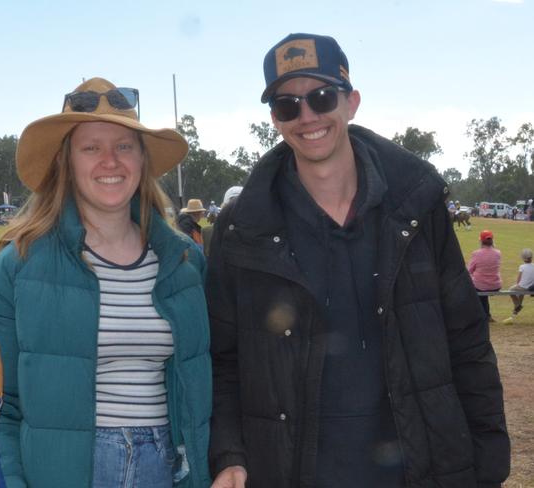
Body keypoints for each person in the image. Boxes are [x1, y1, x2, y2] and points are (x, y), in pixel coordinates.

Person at [207, 33, 509, 488]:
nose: (307, 116)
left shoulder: (417, 207)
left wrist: (489, 456)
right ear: (275, 119)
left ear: (352, 102)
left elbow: (466, 340)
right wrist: (229, 454)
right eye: (288, 105)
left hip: (419, 466)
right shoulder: (240, 227)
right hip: (291, 471)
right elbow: (222, 359)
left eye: (322, 97)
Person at [0, 77, 212, 488]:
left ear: (142, 160)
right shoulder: (18, 266)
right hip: (63, 472)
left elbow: (209, 389)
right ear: (66, 162)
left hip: (167, 472)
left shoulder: (185, 263)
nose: (110, 161)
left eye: (124, 146)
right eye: (91, 147)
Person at [467, 230, 502, 322]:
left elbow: (469, 270)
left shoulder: (476, 254)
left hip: (480, 286)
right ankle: (487, 315)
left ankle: (480, 315)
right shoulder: (498, 253)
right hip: (495, 285)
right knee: (482, 290)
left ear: (481, 241)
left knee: (476, 287)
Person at [504, 248, 534, 320]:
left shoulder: (522, 266)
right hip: (531, 287)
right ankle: (517, 308)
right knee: (521, 293)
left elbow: (519, 279)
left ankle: (517, 305)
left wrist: (518, 284)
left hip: (523, 287)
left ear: (523, 258)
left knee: (510, 290)